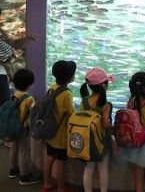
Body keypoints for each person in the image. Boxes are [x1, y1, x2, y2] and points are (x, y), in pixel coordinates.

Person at [42, 60, 77, 192]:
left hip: (49, 132)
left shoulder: (52, 88)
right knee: (60, 162)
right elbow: (71, 114)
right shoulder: (67, 94)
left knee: (49, 157)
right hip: (61, 136)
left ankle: (47, 184)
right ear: (70, 77)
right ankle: (61, 188)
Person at [79, 67, 115, 192]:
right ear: (104, 85)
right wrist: (114, 129)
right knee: (102, 168)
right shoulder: (106, 104)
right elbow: (105, 124)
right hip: (101, 140)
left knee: (88, 169)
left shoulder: (84, 102)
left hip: (87, 139)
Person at [8, 68, 41, 185]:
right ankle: (24, 175)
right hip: (23, 128)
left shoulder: (14, 94)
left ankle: (13, 170)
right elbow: (33, 113)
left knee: (13, 148)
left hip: (13, 126)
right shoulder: (29, 98)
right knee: (23, 151)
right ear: (30, 84)